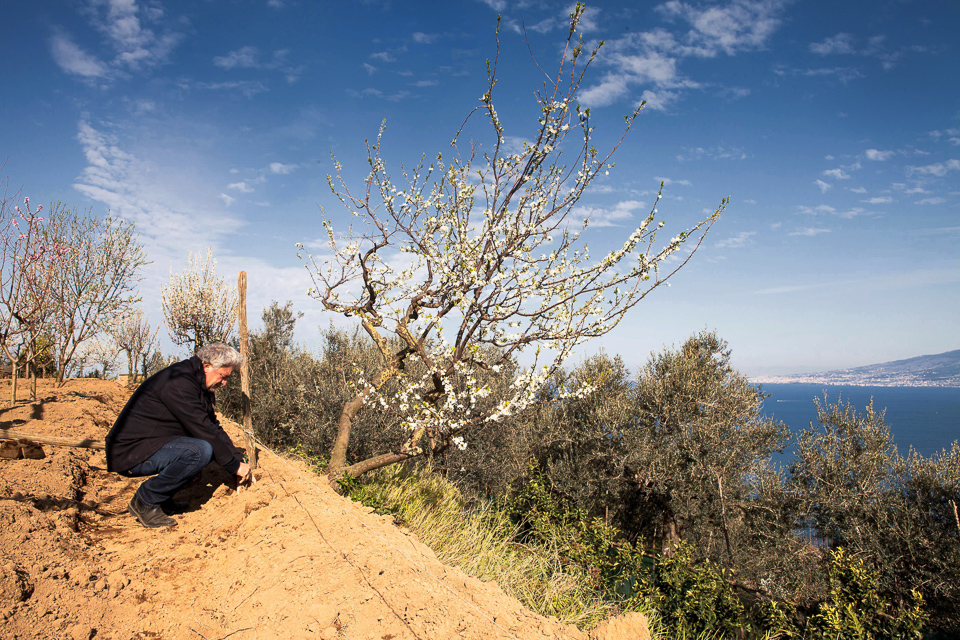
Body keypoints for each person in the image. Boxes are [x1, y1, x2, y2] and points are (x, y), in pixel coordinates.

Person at [105, 343, 256, 528]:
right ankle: (146, 499)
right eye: (223, 377)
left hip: (152, 443)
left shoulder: (197, 382)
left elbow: (212, 426)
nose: (224, 383)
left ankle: (162, 498)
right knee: (200, 451)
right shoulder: (179, 383)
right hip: (130, 451)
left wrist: (236, 460)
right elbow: (202, 428)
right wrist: (233, 466)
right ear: (207, 366)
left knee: (205, 447)